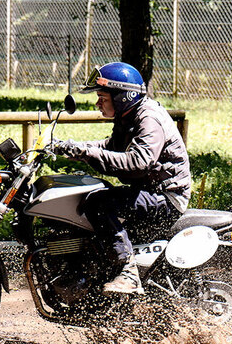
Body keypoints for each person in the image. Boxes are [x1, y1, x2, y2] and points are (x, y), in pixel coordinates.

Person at [54, 62, 191, 295]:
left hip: (166, 197)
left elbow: (139, 162)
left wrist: (88, 153)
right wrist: (72, 148)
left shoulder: (148, 119)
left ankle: (129, 273)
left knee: (99, 203)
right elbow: (109, 147)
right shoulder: (129, 117)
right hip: (149, 192)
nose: (98, 103)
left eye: (102, 98)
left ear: (122, 97)